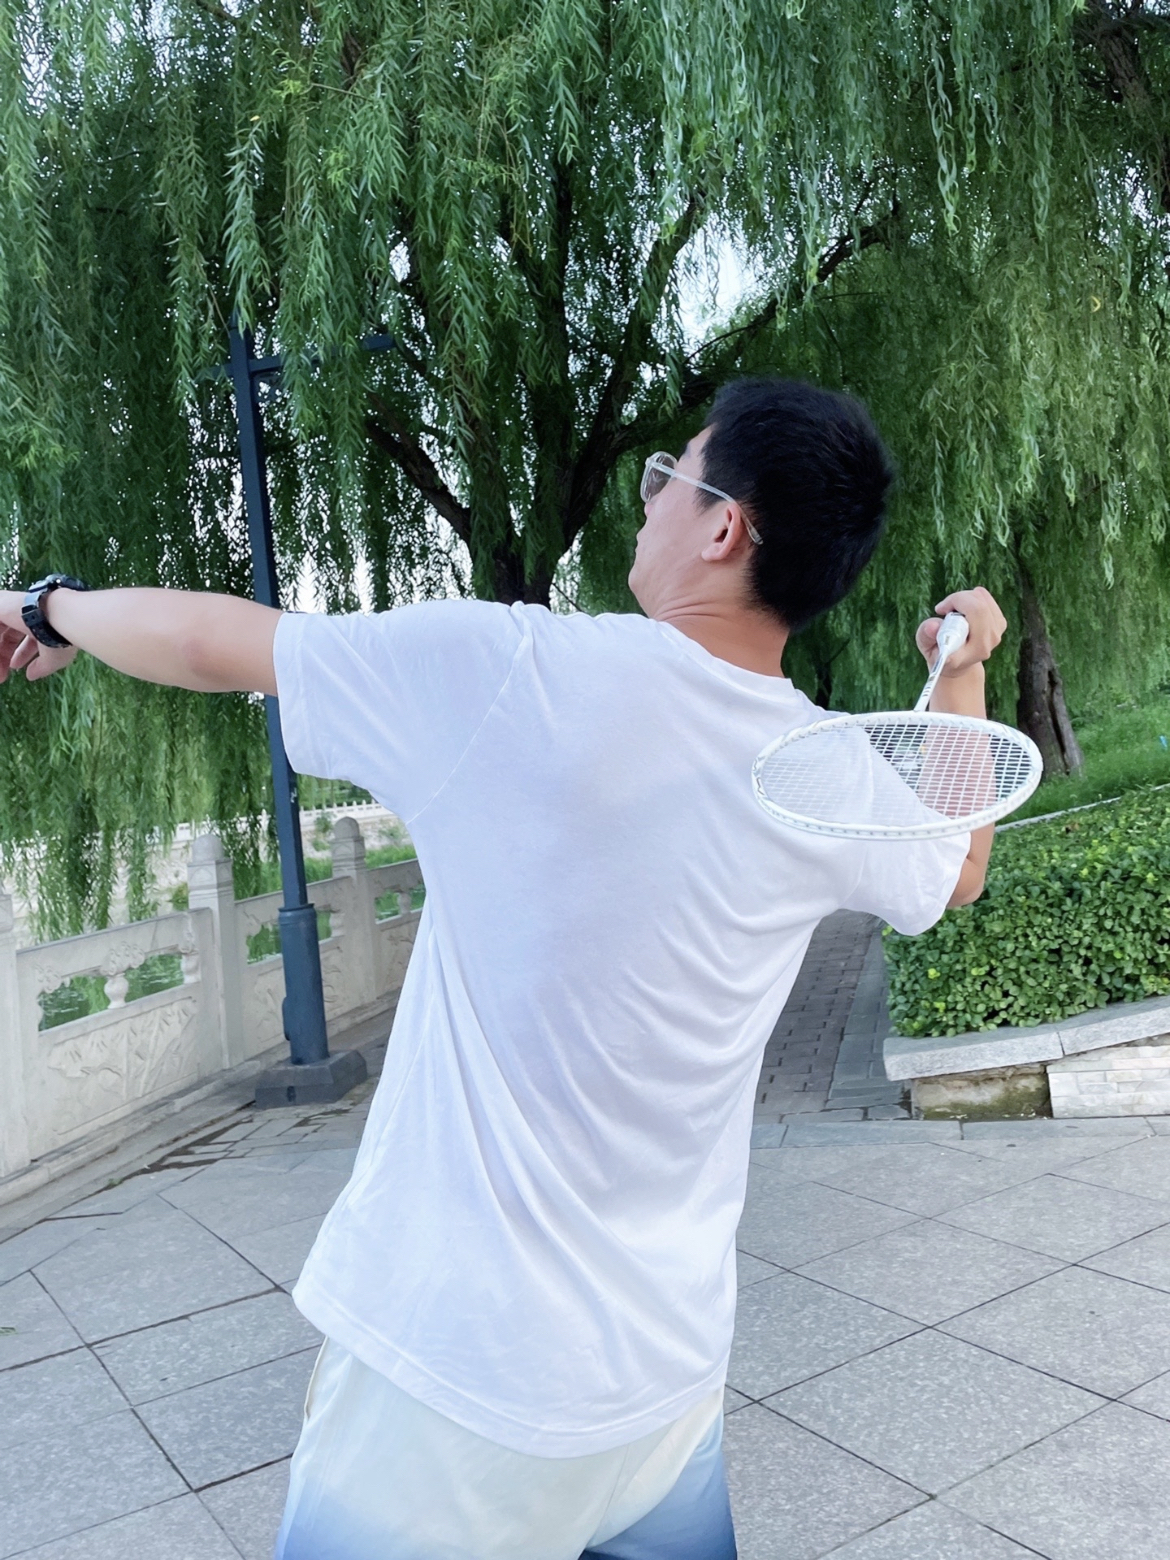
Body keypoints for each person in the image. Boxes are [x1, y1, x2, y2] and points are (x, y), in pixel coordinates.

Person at [0, 377, 1006, 1560]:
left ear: (723, 528)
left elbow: (213, 643)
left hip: (454, 1390)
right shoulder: (820, 765)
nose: (648, 504)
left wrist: (49, 606)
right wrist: (966, 662)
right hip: (663, 1384)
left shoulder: (515, 672)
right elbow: (956, 869)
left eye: (667, 479)